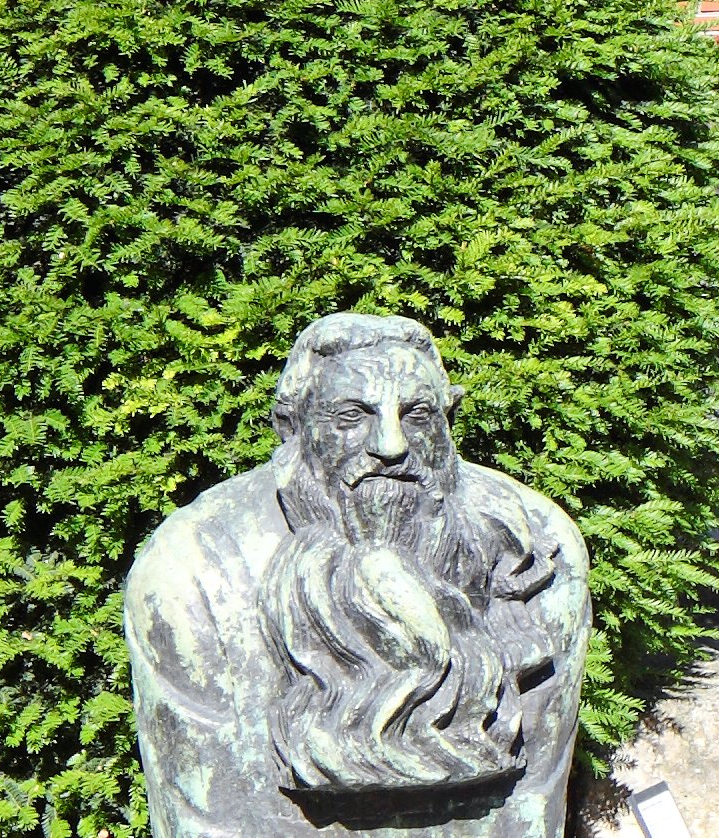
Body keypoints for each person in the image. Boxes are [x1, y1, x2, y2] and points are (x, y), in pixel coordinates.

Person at [128, 315, 587, 838]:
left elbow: (535, 807)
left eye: (416, 415)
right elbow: (204, 820)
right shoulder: (195, 569)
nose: (391, 447)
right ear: (294, 429)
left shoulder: (533, 554)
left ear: (447, 421)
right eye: (352, 416)